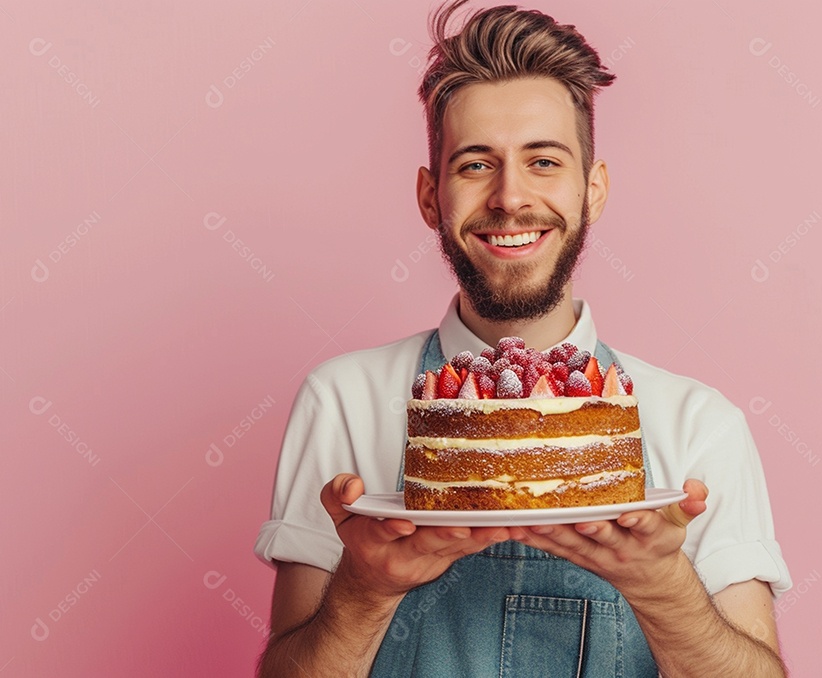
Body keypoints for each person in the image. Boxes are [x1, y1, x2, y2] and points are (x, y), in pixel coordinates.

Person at [254, 2, 791, 675]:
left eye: (543, 161)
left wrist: (664, 588)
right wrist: (365, 590)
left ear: (592, 189)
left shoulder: (700, 426)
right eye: (476, 165)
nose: (510, 198)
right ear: (430, 197)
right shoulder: (341, 401)